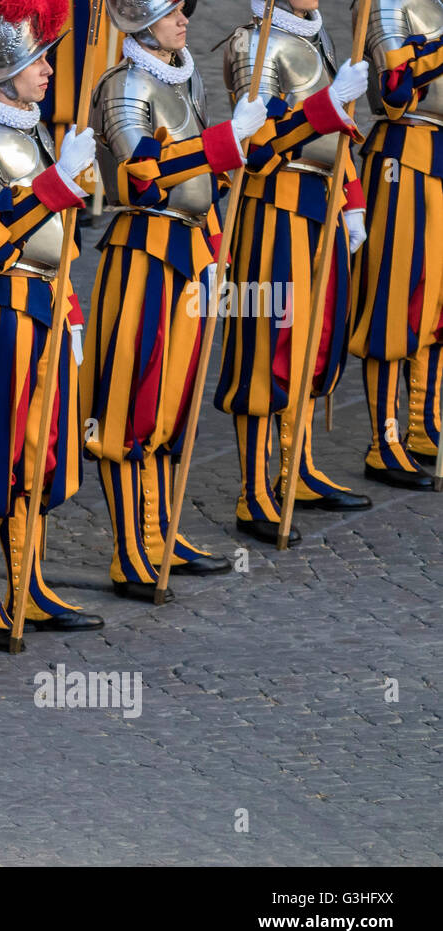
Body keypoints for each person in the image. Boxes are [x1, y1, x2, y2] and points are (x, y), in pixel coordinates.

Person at [0, 0, 104, 652]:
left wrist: (67, 306)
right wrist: (57, 184)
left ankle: (27, 583)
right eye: (39, 60)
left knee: (37, 455)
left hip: (42, 304)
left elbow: (54, 242)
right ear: (7, 69)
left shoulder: (34, 130)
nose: (48, 71)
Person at [86, 0, 256, 601]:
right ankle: (131, 548)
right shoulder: (123, 85)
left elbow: (204, 180)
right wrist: (217, 145)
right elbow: (143, 174)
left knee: (174, 404)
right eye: (172, 13)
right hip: (145, 248)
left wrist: (215, 240)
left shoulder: (184, 74)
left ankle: (160, 532)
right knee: (135, 401)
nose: (185, 20)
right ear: (138, 21)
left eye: (185, 11)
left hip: (191, 251)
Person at [215, 0, 372, 545]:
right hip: (271, 210)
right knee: (265, 347)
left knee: (315, 340)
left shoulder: (314, 38)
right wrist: (327, 105)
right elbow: (257, 149)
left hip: (319, 205)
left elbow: (339, 138)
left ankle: (295, 468)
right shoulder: (250, 45)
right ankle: (252, 490)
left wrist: (352, 199)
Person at [349, 0, 443, 489]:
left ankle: (424, 425)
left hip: (441, 157)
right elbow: (394, 96)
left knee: (436, 304)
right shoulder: (387, 4)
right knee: (395, 302)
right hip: (403, 155)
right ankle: (383, 442)